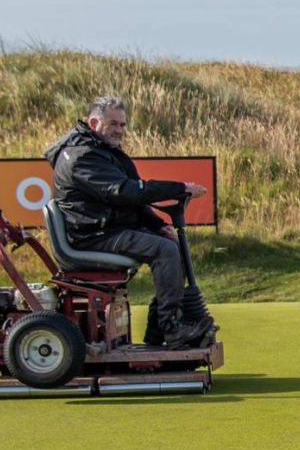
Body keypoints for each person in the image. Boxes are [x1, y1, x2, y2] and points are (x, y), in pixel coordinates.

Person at [44, 95, 214, 348]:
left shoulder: (102, 151)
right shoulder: (82, 158)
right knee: (164, 250)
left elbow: (131, 198)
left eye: (122, 125)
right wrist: (178, 187)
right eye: (114, 124)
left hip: (104, 228)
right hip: (90, 236)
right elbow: (125, 191)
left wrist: (158, 225)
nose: (120, 131)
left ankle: (158, 329)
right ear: (94, 122)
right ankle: (170, 328)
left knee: (169, 242)